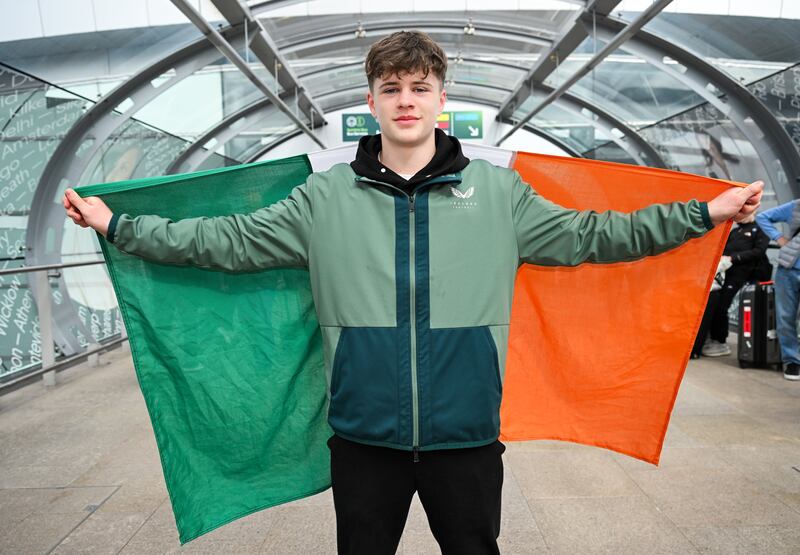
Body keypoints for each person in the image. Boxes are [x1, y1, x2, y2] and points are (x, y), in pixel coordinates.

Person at [62, 31, 764, 555]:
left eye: (419, 87)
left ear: (441, 101)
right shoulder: (325, 197)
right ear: (371, 101)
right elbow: (227, 242)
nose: (405, 100)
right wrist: (118, 225)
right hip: (365, 437)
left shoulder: (497, 193)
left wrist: (705, 211)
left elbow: (597, 235)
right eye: (392, 88)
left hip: (467, 435)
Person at [700, 214, 770, 357]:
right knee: (715, 304)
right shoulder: (735, 231)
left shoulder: (760, 229)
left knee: (722, 306)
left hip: (742, 273)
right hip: (724, 273)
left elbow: (758, 252)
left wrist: (734, 258)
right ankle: (711, 338)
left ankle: (720, 341)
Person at [756, 200, 800, 381]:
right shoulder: (796, 206)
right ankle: (792, 361)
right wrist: (778, 238)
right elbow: (762, 216)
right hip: (788, 270)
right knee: (785, 317)